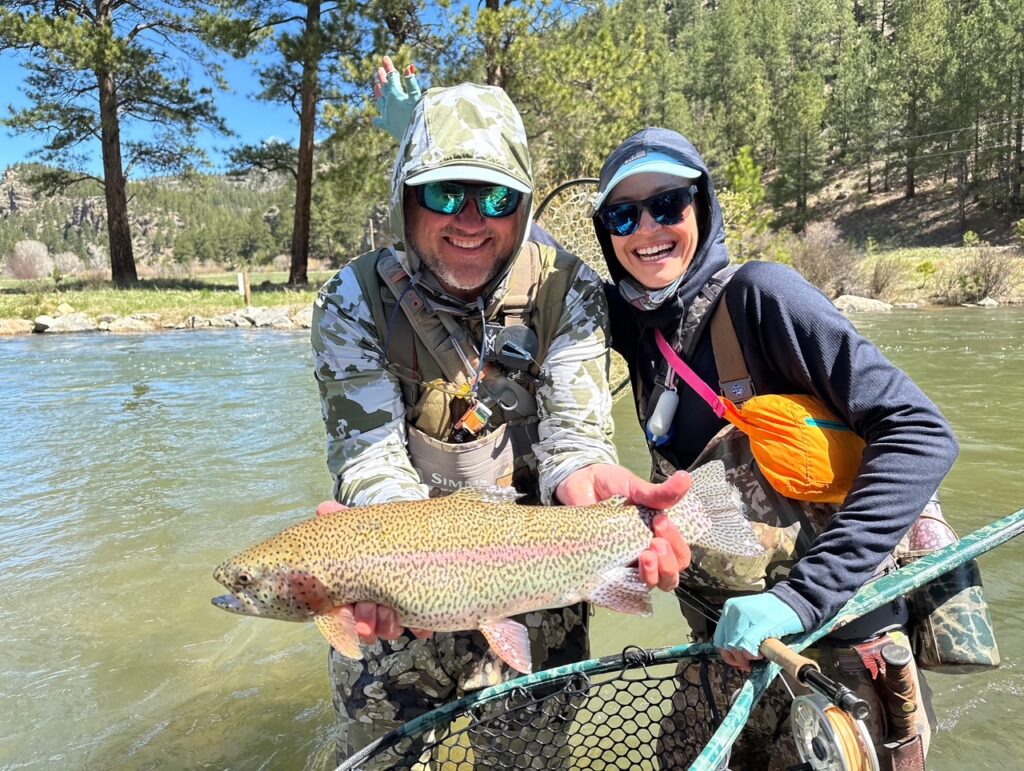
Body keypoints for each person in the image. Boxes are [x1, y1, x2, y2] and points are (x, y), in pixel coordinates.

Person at [373, 63, 959, 769]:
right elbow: (506, 232)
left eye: (668, 205)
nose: (647, 229)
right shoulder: (628, 318)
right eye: (623, 215)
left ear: (702, 208)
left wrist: (804, 598)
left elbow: (921, 433)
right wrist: (427, 145)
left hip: (838, 642)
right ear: (608, 232)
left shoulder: (764, 298)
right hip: (723, 644)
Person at [311, 79, 691, 764]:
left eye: (495, 197)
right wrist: (401, 575)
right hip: (402, 591)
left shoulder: (564, 287)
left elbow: (576, 444)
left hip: (541, 576)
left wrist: (589, 479)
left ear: (521, 203)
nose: (470, 220)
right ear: (405, 195)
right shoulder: (352, 302)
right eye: (445, 192)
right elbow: (369, 463)